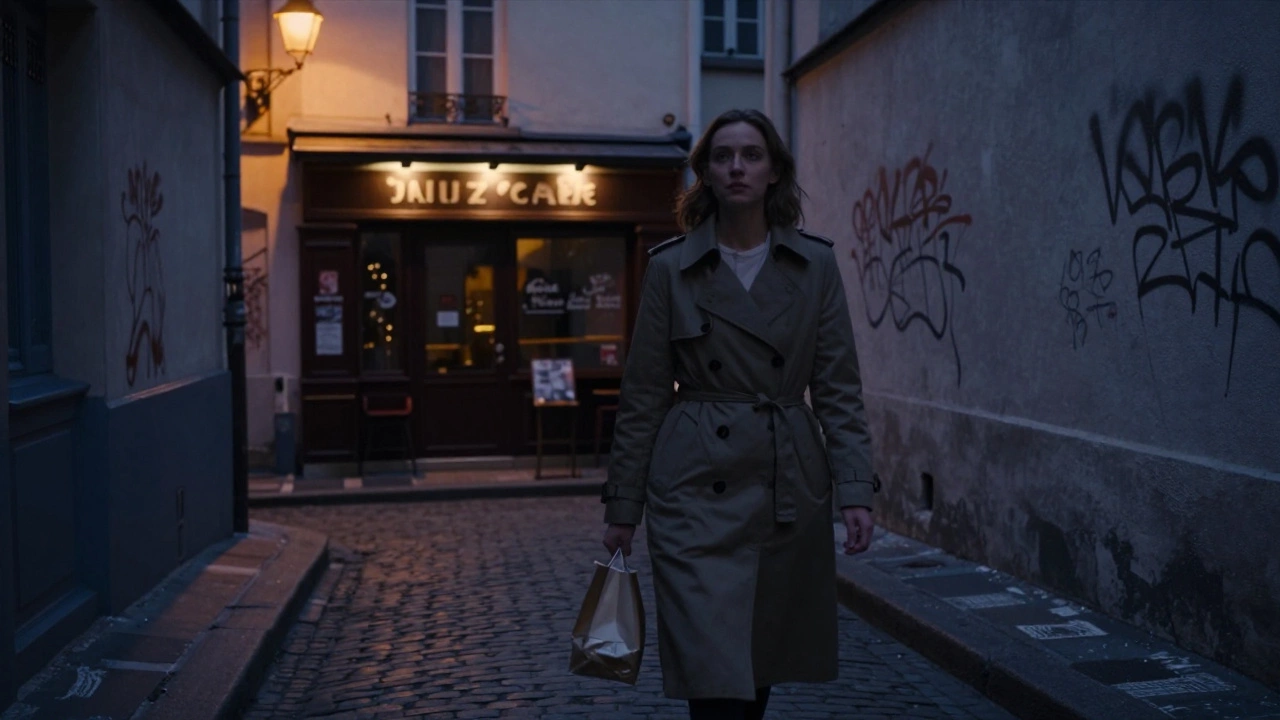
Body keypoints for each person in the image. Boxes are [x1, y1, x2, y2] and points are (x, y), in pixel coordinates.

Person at [600, 108, 879, 720]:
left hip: (784, 483)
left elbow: (837, 387)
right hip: (693, 488)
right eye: (722, 156)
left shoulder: (815, 265)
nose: (736, 167)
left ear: (775, 170)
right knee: (711, 662)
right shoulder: (671, 268)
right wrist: (624, 506)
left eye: (751, 155)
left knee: (755, 663)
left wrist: (855, 489)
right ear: (705, 172)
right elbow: (644, 393)